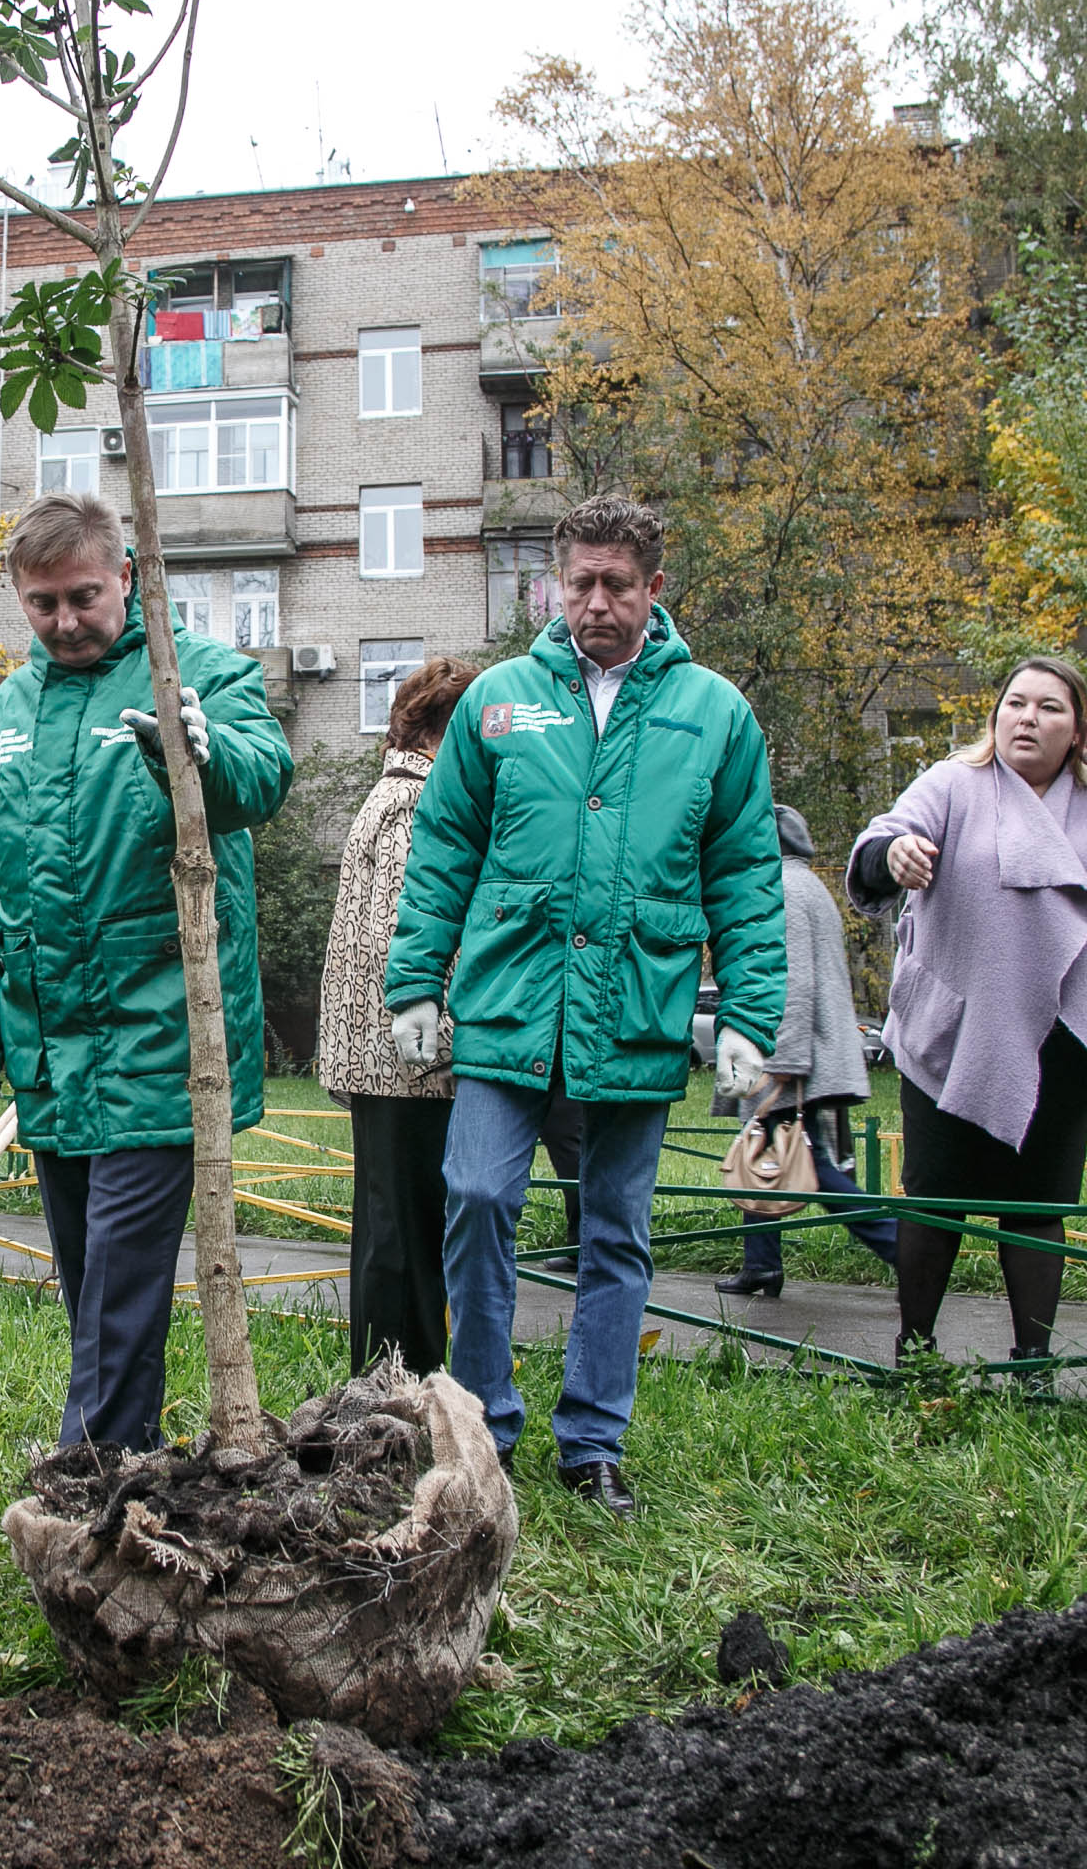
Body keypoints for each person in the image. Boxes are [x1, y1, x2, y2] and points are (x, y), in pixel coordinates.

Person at [385, 495, 785, 1517]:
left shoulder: (713, 712)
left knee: (614, 1227)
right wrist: (414, 983)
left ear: (655, 586)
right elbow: (441, 851)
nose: (596, 602)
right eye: (580, 582)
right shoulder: (498, 702)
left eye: (617, 583)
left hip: (634, 1006)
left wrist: (746, 1015)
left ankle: (592, 1441)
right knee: (476, 1196)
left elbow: (743, 874)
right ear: (552, 586)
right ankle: (482, 1426)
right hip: (508, 999)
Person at [0, 492, 293, 1452]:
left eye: (84, 597)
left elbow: (264, 777)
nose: (65, 621)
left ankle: (88, 1469)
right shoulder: (0, 719)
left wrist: (201, 754)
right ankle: (126, 1449)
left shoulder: (196, 672)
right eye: (42, 603)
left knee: (122, 1278)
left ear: (126, 576)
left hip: (162, 1034)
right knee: (90, 1277)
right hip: (51, 1052)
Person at [317, 657, 585, 1373]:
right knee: (403, 1245)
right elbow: (402, 935)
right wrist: (447, 1039)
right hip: (406, 1062)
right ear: (446, 728)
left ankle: (391, 1390)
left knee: (391, 1236)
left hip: (386, 1060)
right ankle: (403, 1395)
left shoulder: (396, 790)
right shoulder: (416, 800)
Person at [847, 655, 1087, 1370]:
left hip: (1062, 1043)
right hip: (952, 1035)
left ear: (1077, 730)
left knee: (1038, 1209)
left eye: (1050, 707)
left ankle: (1032, 1367)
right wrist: (895, 856)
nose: (1028, 718)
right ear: (996, 717)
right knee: (933, 1201)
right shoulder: (955, 784)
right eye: (1016, 703)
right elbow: (877, 843)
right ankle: (914, 1353)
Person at [715, 804, 897, 1297]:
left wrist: (781, 1063)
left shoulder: (784, 890)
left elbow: (789, 984)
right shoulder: (807, 885)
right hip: (809, 1054)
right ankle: (761, 1265)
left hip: (792, 1058)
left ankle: (903, 1247)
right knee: (765, 1153)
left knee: (808, 1168)